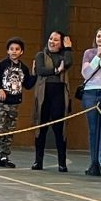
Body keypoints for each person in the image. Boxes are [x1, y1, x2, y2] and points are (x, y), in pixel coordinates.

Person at [0, 38, 36, 168]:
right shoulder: (2, 65)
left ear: (21, 52)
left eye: (17, 49)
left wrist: (35, 74)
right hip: (2, 103)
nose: (14, 51)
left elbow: (28, 85)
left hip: (14, 103)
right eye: (11, 49)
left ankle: (4, 156)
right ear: (8, 51)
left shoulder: (23, 68)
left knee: (9, 130)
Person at [31, 31, 73, 172]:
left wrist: (68, 48)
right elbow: (41, 70)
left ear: (61, 44)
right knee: (41, 128)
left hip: (59, 95)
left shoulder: (64, 55)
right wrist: (56, 70)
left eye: (56, 40)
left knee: (59, 130)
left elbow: (67, 63)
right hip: (43, 95)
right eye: (50, 38)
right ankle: (38, 161)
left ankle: (62, 163)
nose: (52, 41)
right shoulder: (40, 55)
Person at [80, 27, 101, 176]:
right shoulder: (89, 53)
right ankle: (93, 163)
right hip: (90, 93)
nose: (100, 38)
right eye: (98, 36)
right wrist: (97, 57)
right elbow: (86, 74)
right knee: (93, 130)